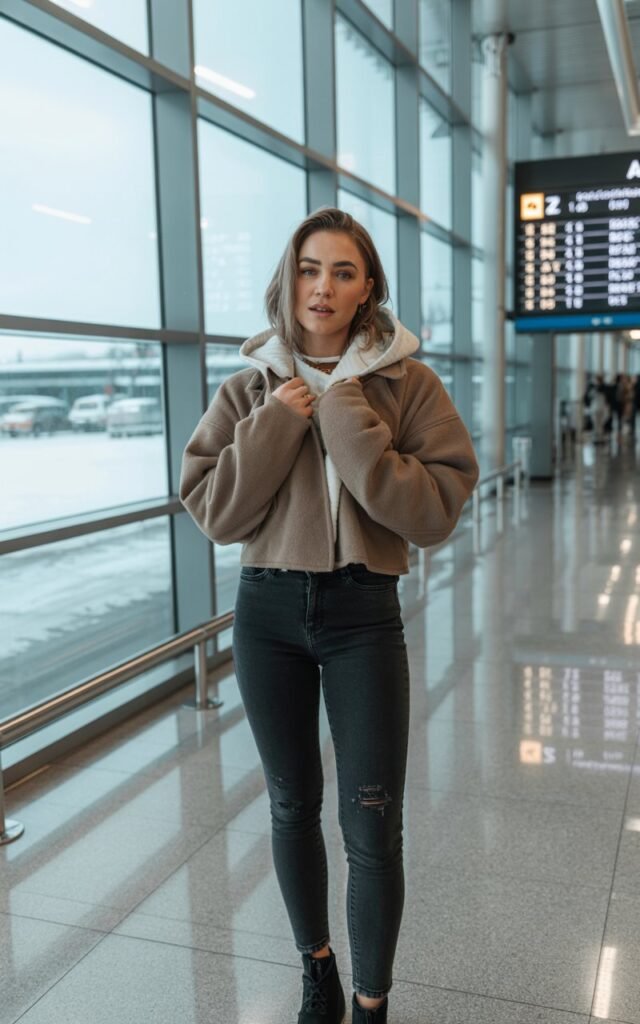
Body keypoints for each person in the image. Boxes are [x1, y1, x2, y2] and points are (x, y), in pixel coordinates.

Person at [180, 208, 479, 1024]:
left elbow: (439, 507)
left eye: (343, 272)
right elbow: (215, 510)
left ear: (367, 288)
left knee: (371, 818)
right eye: (310, 268)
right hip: (267, 610)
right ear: (289, 277)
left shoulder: (403, 383)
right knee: (290, 802)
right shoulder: (248, 386)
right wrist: (279, 421)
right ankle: (317, 969)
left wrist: (348, 420)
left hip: (361, 612)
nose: (323, 286)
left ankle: (371, 1001)